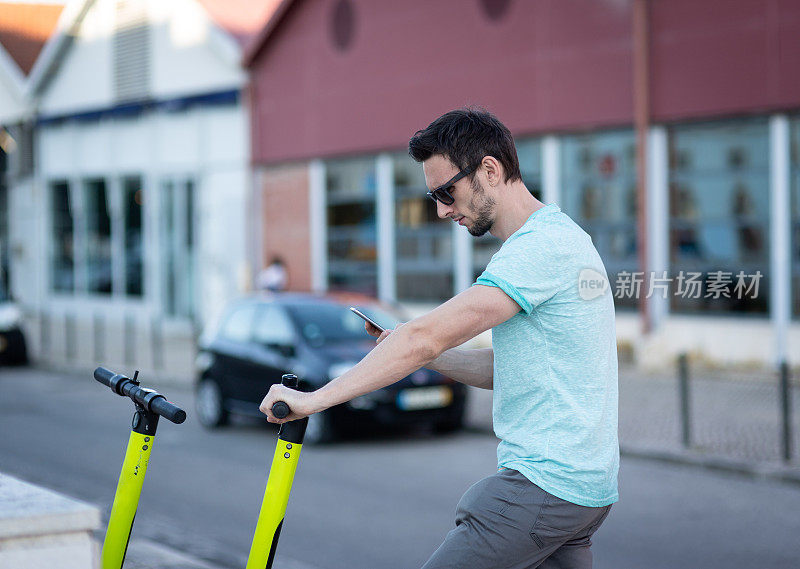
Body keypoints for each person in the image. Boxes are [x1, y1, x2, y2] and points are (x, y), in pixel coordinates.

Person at [260, 108, 619, 569]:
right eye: (433, 195)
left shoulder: (537, 249)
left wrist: (314, 400)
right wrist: (418, 354)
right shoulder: (565, 238)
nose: (441, 210)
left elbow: (424, 336)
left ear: (491, 169)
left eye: (447, 191)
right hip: (583, 497)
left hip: (542, 488)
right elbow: (507, 369)